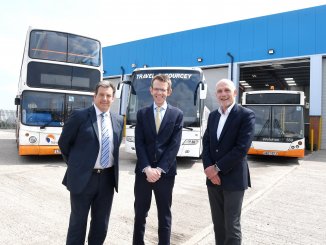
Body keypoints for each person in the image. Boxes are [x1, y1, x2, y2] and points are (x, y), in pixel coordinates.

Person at [58, 80, 124, 245]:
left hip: (107, 180)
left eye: (108, 95)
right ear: (94, 96)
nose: (104, 98)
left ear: (113, 98)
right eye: (101, 95)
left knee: (101, 224)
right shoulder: (80, 116)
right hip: (83, 178)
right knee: (78, 223)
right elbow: (64, 143)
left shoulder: (118, 120)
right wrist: (77, 165)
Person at [202, 78, 255, 245]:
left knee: (232, 226)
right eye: (219, 91)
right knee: (218, 224)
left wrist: (216, 168)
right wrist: (209, 170)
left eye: (226, 90)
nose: (223, 94)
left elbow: (241, 148)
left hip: (234, 179)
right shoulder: (212, 116)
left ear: (234, 93)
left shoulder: (246, 115)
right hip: (213, 180)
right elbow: (207, 143)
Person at [132, 74, 183, 245]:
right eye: (156, 89)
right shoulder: (142, 113)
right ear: (151, 90)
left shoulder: (177, 114)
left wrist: (159, 169)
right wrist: (146, 168)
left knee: (164, 214)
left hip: (165, 174)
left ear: (169, 91)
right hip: (143, 174)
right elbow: (139, 142)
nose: (159, 92)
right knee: (140, 213)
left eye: (163, 89)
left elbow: (174, 146)